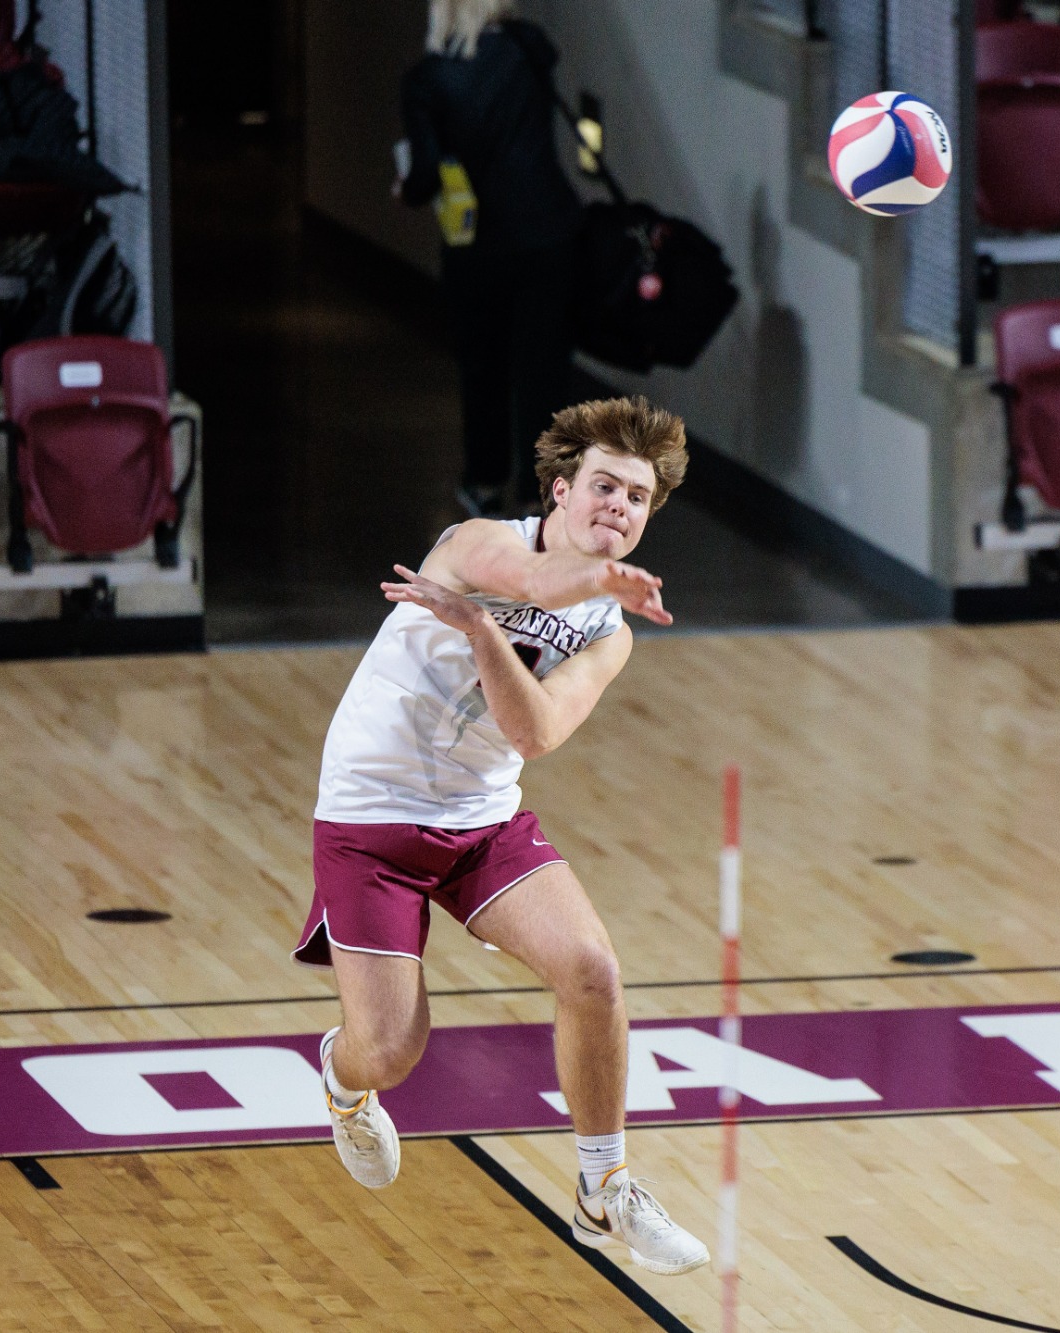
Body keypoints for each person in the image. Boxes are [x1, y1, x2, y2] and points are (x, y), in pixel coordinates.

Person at [294, 396, 709, 1275]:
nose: (619, 508)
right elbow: (533, 583)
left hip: (481, 820)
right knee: (392, 1051)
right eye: (604, 486)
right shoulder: (477, 544)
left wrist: (480, 628)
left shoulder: (611, 631)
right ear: (559, 491)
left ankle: (605, 1192)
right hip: (371, 815)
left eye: (637, 498)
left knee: (593, 970)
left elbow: (536, 735)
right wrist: (534, 595)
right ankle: (341, 1076)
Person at [398, 0, 583, 519]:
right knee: (542, 368)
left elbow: (427, 175)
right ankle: (540, 490)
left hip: (477, 245)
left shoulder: (428, 80)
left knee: (483, 366)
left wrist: (405, 187)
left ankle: (483, 481)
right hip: (549, 235)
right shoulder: (530, 50)